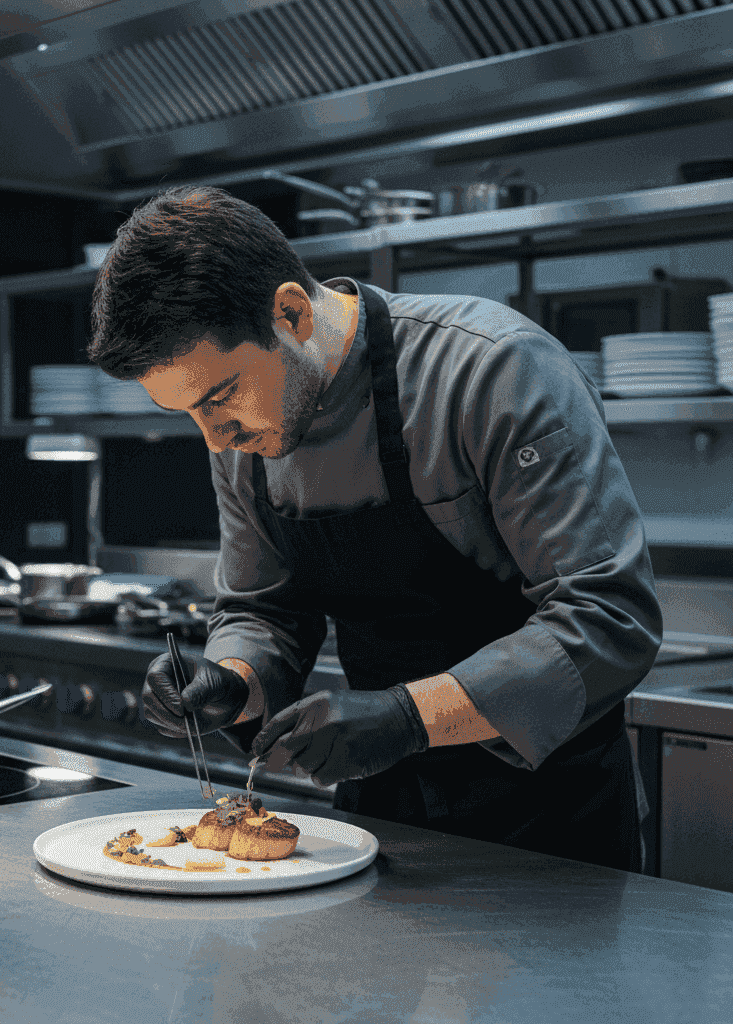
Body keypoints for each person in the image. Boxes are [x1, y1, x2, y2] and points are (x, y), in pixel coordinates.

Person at [88, 185, 662, 872]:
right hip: (380, 820)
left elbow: (609, 617)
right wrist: (232, 680)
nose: (214, 439)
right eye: (189, 413)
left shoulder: (493, 371)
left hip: (551, 824)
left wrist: (407, 717)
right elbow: (263, 607)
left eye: (219, 396)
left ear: (291, 312)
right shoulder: (244, 440)